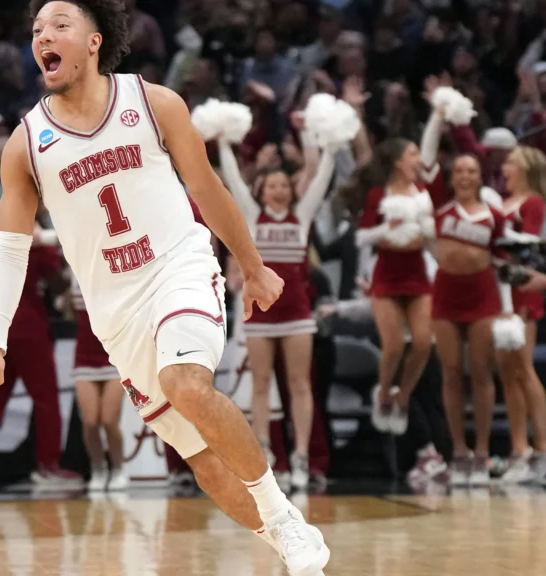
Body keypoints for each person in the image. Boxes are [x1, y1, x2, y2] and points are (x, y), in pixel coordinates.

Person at [0, 3, 328, 575]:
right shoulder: (26, 144)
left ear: (94, 41)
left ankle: (280, 514)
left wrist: (253, 265)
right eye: (37, 30)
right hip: (114, 312)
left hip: (178, 267)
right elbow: (11, 252)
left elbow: (206, 188)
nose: (44, 37)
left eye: (59, 25)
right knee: (204, 463)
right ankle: (285, 534)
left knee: (185, 383)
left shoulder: (153, 102)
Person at [213, 122, 339, 490]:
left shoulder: (302, 217)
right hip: (261, 315)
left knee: (300, 385)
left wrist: (331, 148)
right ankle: (265, 452)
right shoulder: (253, 218)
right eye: (272, 186)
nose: (279, 190)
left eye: (284, 185)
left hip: (298, 314)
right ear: (262, 191)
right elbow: (233, 183)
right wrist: (223, 144)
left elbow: (320, 182)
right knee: (261, 384)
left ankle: (300, 455)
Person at [347, 104, 450, 437]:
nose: (418, 159)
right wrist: (386, 231)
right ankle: (382, 393)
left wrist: (434, 246)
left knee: (422, 343)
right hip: (387, 274)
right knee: (393, 346)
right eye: (412, 154)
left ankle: (402, 397)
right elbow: (362, 237)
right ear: (398, 161)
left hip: (417, 272)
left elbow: (432, 238)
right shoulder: (379, 194)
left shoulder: (423, 196)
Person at [0, 225, 79, 485]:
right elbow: (57, 283)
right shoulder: (33, 240)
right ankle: (48, 467)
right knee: (46, 399)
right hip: (28, 327)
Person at [429, 155, 507, 487]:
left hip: (482, 295)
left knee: (481, 370)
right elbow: (428, 163)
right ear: (452, 177)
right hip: (446, 294)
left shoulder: (494, 216)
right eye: (459, 170)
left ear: (480, 177)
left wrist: (506, 306)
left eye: (471, 171)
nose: (465, 176)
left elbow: (503, 260)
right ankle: (459, 451)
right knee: (450, 373)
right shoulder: (440, 210)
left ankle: (482, 451)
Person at [498, 146, 546, 484]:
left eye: (513, 162)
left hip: (522, 288)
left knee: (523, 367)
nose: (506, 167)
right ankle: (519, 447)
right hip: (500, 292)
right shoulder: (502, 203)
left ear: (527, 168)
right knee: (507, 372)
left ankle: (542, 446)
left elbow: (528, 245)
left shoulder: (533, 203)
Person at [70, 277, 127, 491]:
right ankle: (98, 468)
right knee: (90, 421)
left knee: (109, 420)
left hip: (115, 358)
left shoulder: (117, 272)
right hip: (85, 359)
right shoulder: (75, 273)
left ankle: (119, 469)